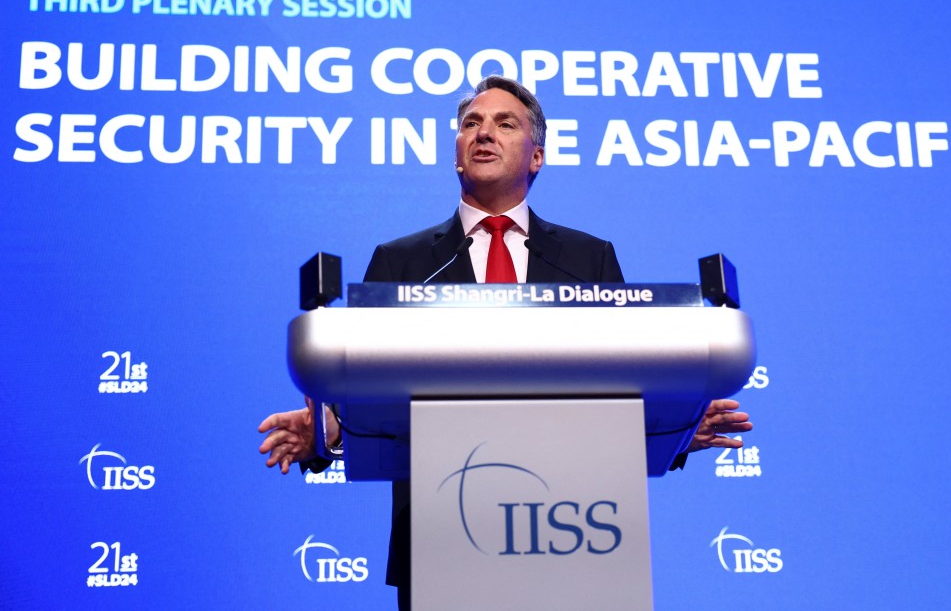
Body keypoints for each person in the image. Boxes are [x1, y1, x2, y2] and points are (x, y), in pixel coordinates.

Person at [258, 75, 752, 609]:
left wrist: (674, 423)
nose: (483, 133)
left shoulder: (591, 259)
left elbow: (621, 387)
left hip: (577, 537)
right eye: (471, 123)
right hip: (440, 545)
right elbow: (373, 393)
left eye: (504, 123)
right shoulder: (401, 263)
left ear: (536, 156)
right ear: (456, 155)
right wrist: (326, 427)